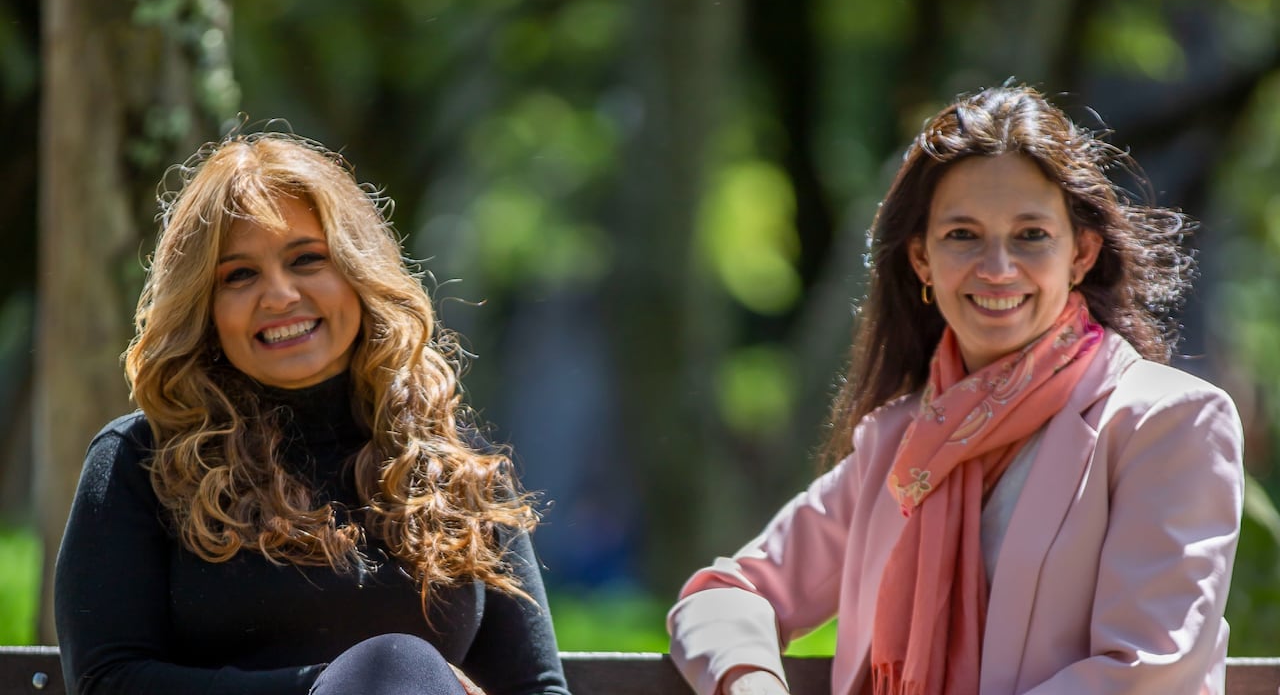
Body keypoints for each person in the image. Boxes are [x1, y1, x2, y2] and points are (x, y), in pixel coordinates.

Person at [667, 85, 1245, 695]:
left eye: (1030, 235)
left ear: (1081, 253)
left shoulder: (1168, 422)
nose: (997, 268)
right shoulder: (901, 444)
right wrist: (750, 682)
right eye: (963, 235)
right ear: (922, 259)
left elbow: (1150, 673)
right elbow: (727, 595)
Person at [54, 130, 572, 695]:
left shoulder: (454, 467)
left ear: (359, 272)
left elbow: (535, 689)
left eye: (307, 260)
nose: (279, 296)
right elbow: (107, 681)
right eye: (239, 275)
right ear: (204, 306)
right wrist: (343, 686)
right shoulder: (142, 462)